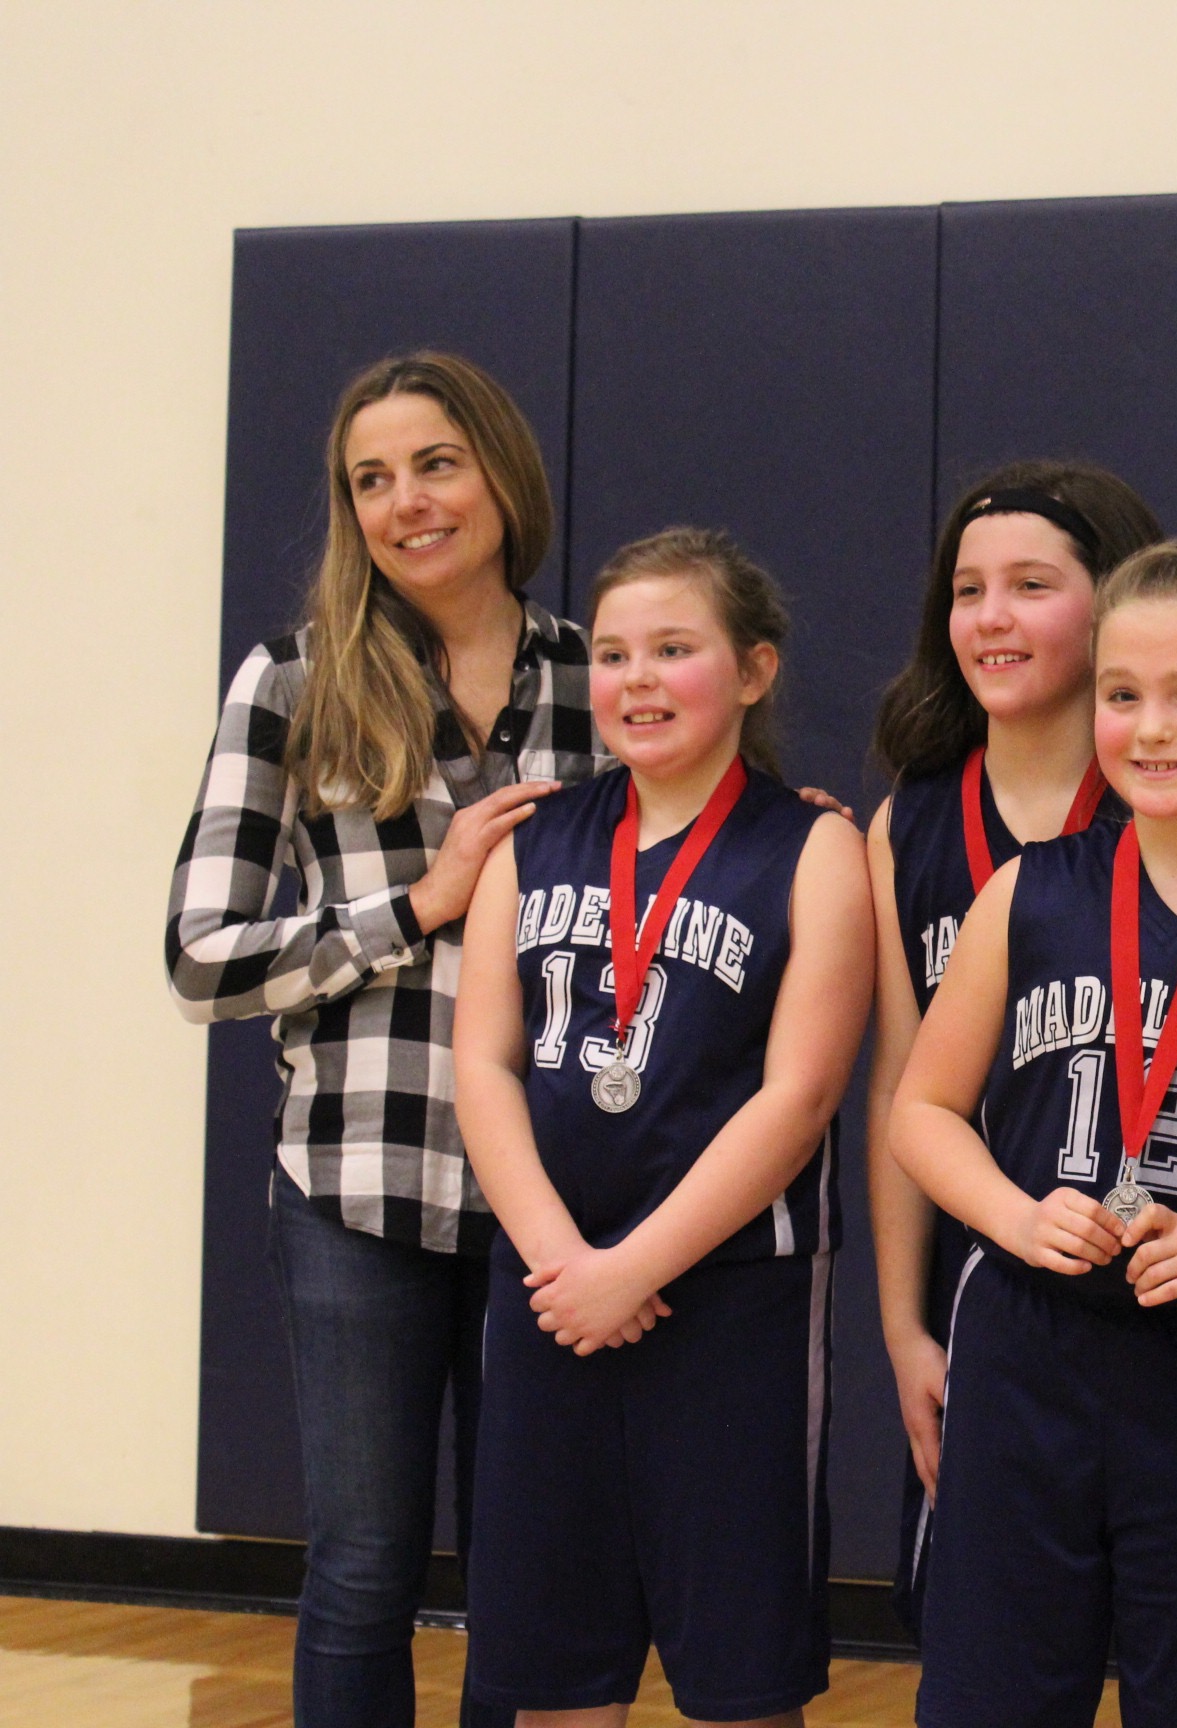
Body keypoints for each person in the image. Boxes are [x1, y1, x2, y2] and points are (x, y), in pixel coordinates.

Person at [167, 351, 598, 1728]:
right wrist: (418, 904)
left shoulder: (600, 673)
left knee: (530, 1568)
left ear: (500, 475)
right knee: (362, 1568)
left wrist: (793, 833)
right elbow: (200, 957)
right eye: (371, 480)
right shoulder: (293, 683)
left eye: (435, 465)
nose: (406, 502)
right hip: (357, 1188)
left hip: (553, 1194)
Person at [891, 541, 1177, 1728]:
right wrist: (1014, 1216)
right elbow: (921, 1112)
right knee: (990, 1696)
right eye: (1122, 694)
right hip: (1027, 1344)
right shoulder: (1026, 891)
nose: (1152, 728)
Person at [450, 528, 870, 1727]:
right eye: (614, 653)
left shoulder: (815, 846)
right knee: (551, 1680)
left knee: (742, 1687)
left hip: (732, 1302)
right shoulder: (531, 840)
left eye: (674, 649)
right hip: (549, 1295)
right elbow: (483, 1063)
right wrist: (561, 1260)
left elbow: (799, 1099)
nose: (637, 679)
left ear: (754, 670)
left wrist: (633, 1267)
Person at [862, 461, 1162, 1626]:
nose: (991, 616)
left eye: (1031, 585)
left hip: (1156, 1288)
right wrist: (904, 1329)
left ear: (1114, 603)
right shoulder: (910, 822)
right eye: (967, 589)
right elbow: (898, 1090)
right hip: (983, 1290)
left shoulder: (1172, 801)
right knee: (989, 1649)